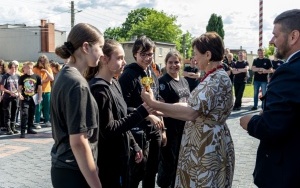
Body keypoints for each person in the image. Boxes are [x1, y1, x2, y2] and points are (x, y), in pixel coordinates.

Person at [141, 31, 235, 188]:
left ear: (208, 55)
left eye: (196, 54)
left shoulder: (216, 80)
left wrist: (154, 103)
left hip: (207, 147)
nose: (194, 58)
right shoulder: (213, 76)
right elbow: (191, 106)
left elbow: (191, 113)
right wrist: (159, 110)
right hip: (204, 142)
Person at [240, 9, 300, 188]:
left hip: (286, 173)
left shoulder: (289, 71)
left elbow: (272, 128)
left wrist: (250, 121)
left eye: (275, 35)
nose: (272, 41)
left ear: (293, 36)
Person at [85, 39, 154, 188]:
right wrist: (141, 112)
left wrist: (134, 145)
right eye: (119, 58)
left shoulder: (114, 83)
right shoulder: (99, 90)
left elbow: (122, 119)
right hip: (107, 162)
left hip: (121, 157)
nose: (124, 62)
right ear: (104, 59)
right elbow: (108, 129)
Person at [50, 23, 103, 188]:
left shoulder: (64, 75)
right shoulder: (77, 83)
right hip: (74, 171)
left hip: (65, 168)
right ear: (86, 47)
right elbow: (78, 142)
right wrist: (96, 183)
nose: (102, 53)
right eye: (100, 47)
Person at [118, 35, 164, 188]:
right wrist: (148, 115)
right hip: (137, 134)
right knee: (135, 175)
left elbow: (157, 102)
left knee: (151, 173)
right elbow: (122, 108)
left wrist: (163, 128)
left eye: (149, 54)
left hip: (154, 132)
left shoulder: (153, 74)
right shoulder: (128, 75)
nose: (147, 58)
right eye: (143, 54)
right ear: (135, 54)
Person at [156, 51, 190, 188]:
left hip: (184, 128)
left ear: (181, 63)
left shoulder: (184, 81)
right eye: (170, 62)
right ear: (166, 64)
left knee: (180, 162)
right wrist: (162, 130)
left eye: (176, 62)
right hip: (170, 129)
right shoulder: (162, 82)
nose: (173, 65)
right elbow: (159, 109)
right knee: (168, 164)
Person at [18, 61, 42, 138]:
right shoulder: (22, 77)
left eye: (24, 67)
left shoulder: (37, 77)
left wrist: (39, 97)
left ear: (29, 67)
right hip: (25, 98)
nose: (23, 69)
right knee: (24, 114)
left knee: (32, 114)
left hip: (33, 98)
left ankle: (30, 129)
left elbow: (40, 88)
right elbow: (19, 88)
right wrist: (19, 94)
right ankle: (22, 131)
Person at [33, 54, 54, 128]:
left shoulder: (48, 68)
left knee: (46, 107)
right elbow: (34, 79)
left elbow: (51, 78)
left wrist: (46, 71)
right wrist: (43, 81)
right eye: (40, 61)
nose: (42, 62)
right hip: (38, 91)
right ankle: (37, 122)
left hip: (47, 91)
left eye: (43, 61)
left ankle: (46, 121)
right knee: (38, 107)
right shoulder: (35, 68)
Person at [0, 60, 20, 135]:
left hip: (16, 97)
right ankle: (8, 128)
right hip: (7, 97)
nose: (14, 69)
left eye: (16, 67)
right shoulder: (5, 76)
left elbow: (19, 87)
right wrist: (9, 92)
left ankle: (13, 127)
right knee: (8, 113)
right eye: (12, 67)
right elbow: (2, 88)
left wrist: (18, 93)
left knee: (14, 112)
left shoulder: (18, 76)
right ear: (9, 68)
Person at [0, 60, 7, 133]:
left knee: (3, 110)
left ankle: (3, 125)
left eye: (2, 66)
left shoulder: (5, 75)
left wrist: (2, 94)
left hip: (3, 93)